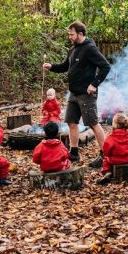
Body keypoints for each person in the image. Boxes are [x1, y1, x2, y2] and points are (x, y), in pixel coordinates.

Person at [43, 21, 111, 167]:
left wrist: (94, 84)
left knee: (93, 124)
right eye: (69, 34)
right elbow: (65, 66)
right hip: (73, 94)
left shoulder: (90, 49)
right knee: (71, 122)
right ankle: (74, 152)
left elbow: (105, 67)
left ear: (80, 34)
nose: (69, 37)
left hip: (87, 94)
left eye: (71, 34)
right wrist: (52, 67)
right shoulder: (73, 49)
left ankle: (104, 155)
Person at [97, 112, 128, 185]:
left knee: (106, 159)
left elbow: (106, 152)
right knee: (109, 158)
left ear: (114, 124)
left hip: (114, 160)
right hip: (127, 159)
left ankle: (106, 173)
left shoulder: (110, 138)